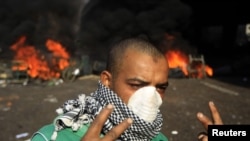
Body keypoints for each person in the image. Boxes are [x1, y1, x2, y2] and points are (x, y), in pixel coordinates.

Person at [31, 38, 222, 141]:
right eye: (137, 85)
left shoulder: (157, 138)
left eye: (161, 87)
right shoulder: (55, 136)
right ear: (107, 81)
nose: (151, 97)